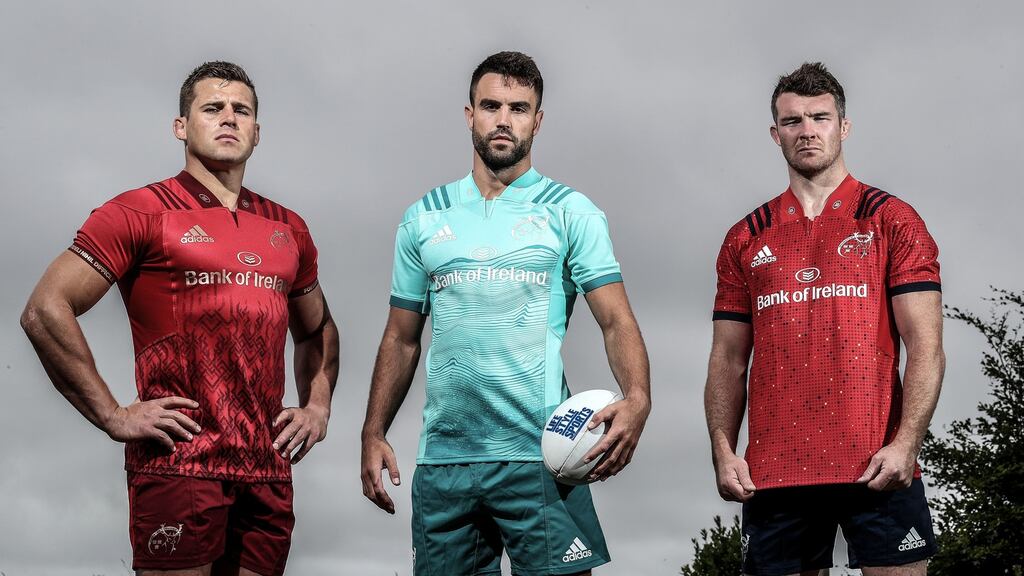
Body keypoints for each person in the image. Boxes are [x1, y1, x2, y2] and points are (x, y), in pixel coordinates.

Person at [20, 61, 338, 576]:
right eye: (212, 108)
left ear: (257, 132)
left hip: (266, 469)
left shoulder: (288, 228)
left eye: (241, 110)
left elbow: (317, 328)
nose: (228, 118)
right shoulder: (139, 212)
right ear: (181, 127)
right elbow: (45, 308)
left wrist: (317, 407)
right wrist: (111, 414)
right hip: (180, 462)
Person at [360, 51, 651, 575]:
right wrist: (373, 431)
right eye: (491, 105)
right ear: (469, 113)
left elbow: (617, 321)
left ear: (538, 120)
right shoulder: (423, 218)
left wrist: (638, 398)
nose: (503, 119)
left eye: (519, 108)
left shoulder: (571, 211)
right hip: (444, 462)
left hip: (542, 454)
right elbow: (401, 339)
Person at [704, 62, 944, 575]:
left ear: (843, 126)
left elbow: (926, 347)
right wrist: (723, 451)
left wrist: (906, 445)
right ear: (776, 134)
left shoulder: (892, 219)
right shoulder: (746, 237)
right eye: (793, 121)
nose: (807, 130)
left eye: (820, 117)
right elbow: (727, 360)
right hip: (776, 471)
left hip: (877, 465)